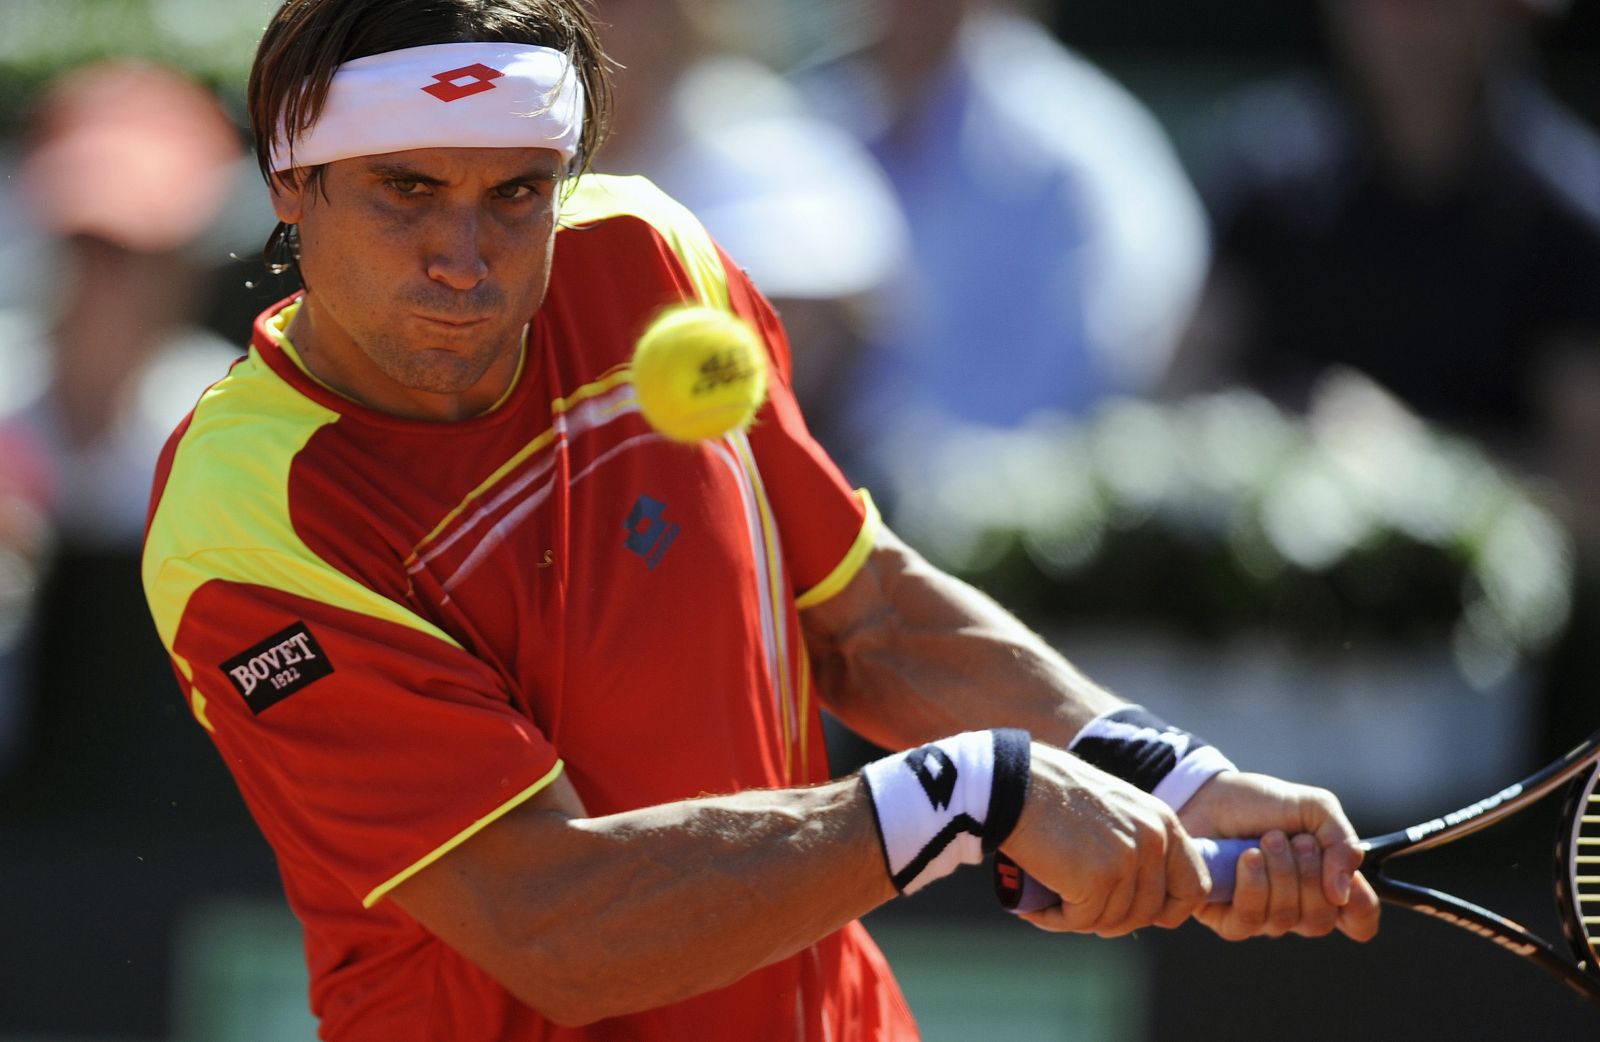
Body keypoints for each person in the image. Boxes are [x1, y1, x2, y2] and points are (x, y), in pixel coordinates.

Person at [140, 1, 1379, 1038]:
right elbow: (555, 923)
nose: (464, 256)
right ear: (290, 183)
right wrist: (967, 795)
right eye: (405, 192)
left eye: (515, 194)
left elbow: (868, 616)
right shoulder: (244, 516)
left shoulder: (648, 257)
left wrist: (1165, 773)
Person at [795, 0, 1212, 499]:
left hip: (1029, 524)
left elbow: (1123, 351)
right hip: (857, 509)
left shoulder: (1076, 142)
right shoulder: (809, 118)